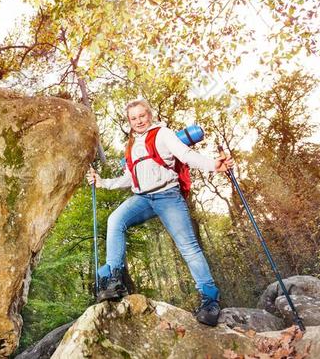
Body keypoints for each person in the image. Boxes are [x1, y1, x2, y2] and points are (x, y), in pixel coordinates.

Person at [86, 99, 234, 326]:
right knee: (115, 219)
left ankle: (210, 300)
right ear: (129, 121)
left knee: (188, 247)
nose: (138, 121)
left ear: (149, 115)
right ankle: (114, 279)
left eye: (141, 116)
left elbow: (185, 155)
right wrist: (102, 182)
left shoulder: (162, 133)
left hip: (168, 196)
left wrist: (214, 165)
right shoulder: (131, 145)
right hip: (142, 198)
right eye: (133, 118)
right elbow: (129, 178)